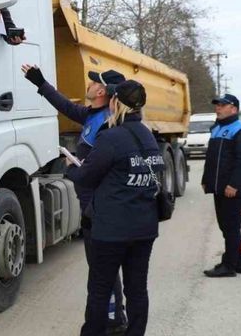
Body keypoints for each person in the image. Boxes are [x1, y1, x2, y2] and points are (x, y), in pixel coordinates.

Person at [23, 65, 129, 335]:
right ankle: (113, 314)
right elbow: (66, 107)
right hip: (91, 204)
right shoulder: (93, 115)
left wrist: (76, 169)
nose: (90, 84)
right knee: (101, 268)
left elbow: (104, 166)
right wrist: (41, 83)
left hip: (100, 207)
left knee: (103, 269)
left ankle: (116, 319)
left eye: (94, 82)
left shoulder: (110, 122)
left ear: (102, 91)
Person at [63, 79, 161, 336]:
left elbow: (86, 177)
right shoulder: (148, 135)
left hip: (111, 231)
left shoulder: (110, 137)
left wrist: (71, 168)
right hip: (144, 228)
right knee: (137, 289)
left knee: (99, 290)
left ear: (116, 102)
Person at [200, 93, 241, 278]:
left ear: (234, 109)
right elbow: (212, 159)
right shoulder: (217, 129)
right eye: (217, 105)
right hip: (219, 188)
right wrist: (206, 179)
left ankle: (228, 266)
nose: (218, 108)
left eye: (223, 105)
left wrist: (234, 184)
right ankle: (240, 263)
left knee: (230, 227)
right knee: (227, 227)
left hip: (232, 189)